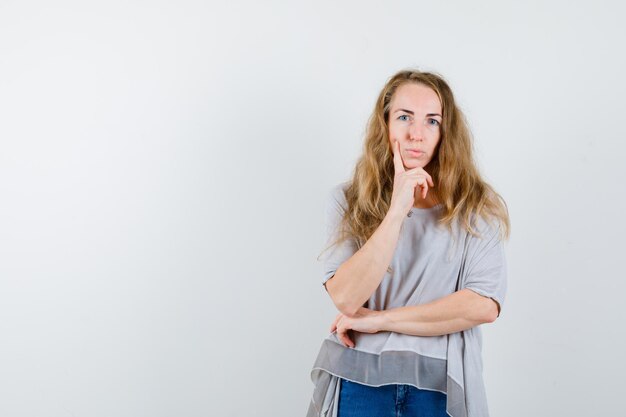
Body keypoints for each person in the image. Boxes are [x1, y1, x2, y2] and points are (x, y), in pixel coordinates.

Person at [306, 69, 510, 417]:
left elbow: (482, 305)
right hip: (359, 382)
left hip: (441, 384)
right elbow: (347, 297)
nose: (417, 134)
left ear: (447, 132)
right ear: (384, 124)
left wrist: (380, 320)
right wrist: (398, 209)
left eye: (432, 120)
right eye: (404, 117)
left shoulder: (476, 205)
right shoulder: (347, 199)